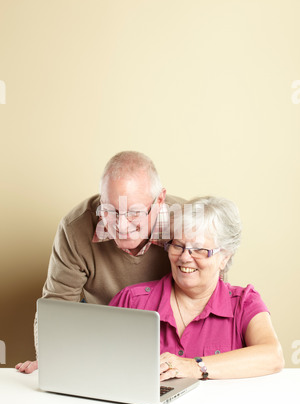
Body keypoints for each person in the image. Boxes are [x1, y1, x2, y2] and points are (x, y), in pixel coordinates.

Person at [16, 151, 186, 374]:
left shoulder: (189, 222)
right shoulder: (75, 227)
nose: (122, 226)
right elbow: (57, 306)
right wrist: (51, 357)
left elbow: (210, 295)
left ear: (160, 200)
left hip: (174, 346)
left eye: (134, 213)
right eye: (110, 211)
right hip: (105, 345)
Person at [109, 196, 285, 381]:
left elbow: (273, 356)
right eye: (178, 246)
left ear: (224, 257)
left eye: (199, 249)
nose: (185, 257)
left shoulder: (244, 303)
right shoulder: (131, 300)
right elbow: (98, 359)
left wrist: (195, 367)